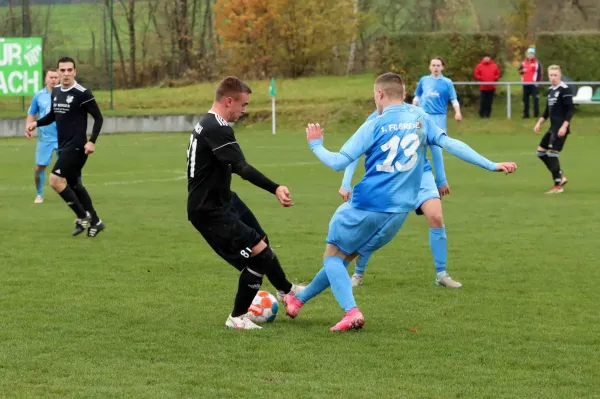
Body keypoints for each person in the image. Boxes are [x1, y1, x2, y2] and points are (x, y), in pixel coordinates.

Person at [284, 73, 517, 331]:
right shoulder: (421, 118)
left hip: (366, 205)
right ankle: (298, 300)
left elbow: (339, 162)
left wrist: (316, 146)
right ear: (404, 94)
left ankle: (351, 312)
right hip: (396, 215)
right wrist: (491, 164)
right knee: (342, 260)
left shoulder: (374, 123)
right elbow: (450, 144)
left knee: (331, 258)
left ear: (379, 94)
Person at [186, 76, 304, 330]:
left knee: (262, 241)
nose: (244, 111)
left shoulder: (210, 123)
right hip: (209, 210)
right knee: (259, 256)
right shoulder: (216, 128)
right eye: (243, 105)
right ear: (229, 101)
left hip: (223, 199)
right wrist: (275, 188)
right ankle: (237, 317)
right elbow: (242, 167)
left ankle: (285, 290)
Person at [341, 105, 461, 289]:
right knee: (376, 230)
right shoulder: (374, 119)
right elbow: (354, 151)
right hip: (390, 179)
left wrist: (441, 178)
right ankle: (358, 273)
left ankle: (441, 275)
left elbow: (435, 145)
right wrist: (345, 183)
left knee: (436, 217)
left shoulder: (418, 115)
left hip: (421, 175)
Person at [26, 57, 105, 237]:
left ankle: (82, 215)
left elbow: (99, 118)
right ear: (58, 72)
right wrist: (36, 124)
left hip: (77, 146)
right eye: (63, 70)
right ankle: (96, 221)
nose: (66, 73)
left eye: (70, 70)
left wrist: (92, 141)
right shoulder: (57, 92)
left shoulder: (82, 92)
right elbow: (53, 115)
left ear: (75, 72)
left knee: (55, 180)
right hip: (63, 144)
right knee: (75, 185)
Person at [534, 65, 573, 194]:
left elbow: (570, 110)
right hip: (552, 128)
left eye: (555, 75)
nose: (553, 77)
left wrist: (564, 126)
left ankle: (558, 185)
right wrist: (539, 122)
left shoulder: (565, 89)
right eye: (551, 75)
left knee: (552, 153)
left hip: (561, 128)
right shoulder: (551, 90)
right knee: (540, 152)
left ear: (560, 75)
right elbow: (547, 111)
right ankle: (560, 176)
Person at [25, 69, 60, 203]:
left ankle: (73, 193)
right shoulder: (39, 96)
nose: (53, 80)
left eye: (56, 77)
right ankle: (39, 194)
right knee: (40, 167)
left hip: (63, 138)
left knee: (69, 167)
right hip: (45, 139)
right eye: (51, 77)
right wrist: (28, 128)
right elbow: (31, 113)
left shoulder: (64, 95)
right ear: (46, 79)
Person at [518, 47, 543, 119]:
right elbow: (519, 71)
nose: (530, 55)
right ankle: (526, 115)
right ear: (527, 55)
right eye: (529, 54)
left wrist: (538, 82)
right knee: (525, 99)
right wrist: (523, 70)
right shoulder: (523, 62)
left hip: (534, 84)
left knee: (535, 99)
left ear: (534, 55)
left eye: (532, 54)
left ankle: (536, 114)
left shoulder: (537, 63)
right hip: (525, 84)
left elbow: (540, 73)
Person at [474, 53, 501, 118]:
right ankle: (481, 114)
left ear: (490, 58)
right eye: (485, 57)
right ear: (483, 58)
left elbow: (498, 74)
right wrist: (481, 78)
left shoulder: (494, 65)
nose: (487, 59)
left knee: (490, 101)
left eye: (488, 57)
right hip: (483, 87)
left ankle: (488, 114)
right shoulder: (479, 66)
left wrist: (494, 78)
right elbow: (476, 74)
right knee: (483, 101)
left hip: (491, 86)